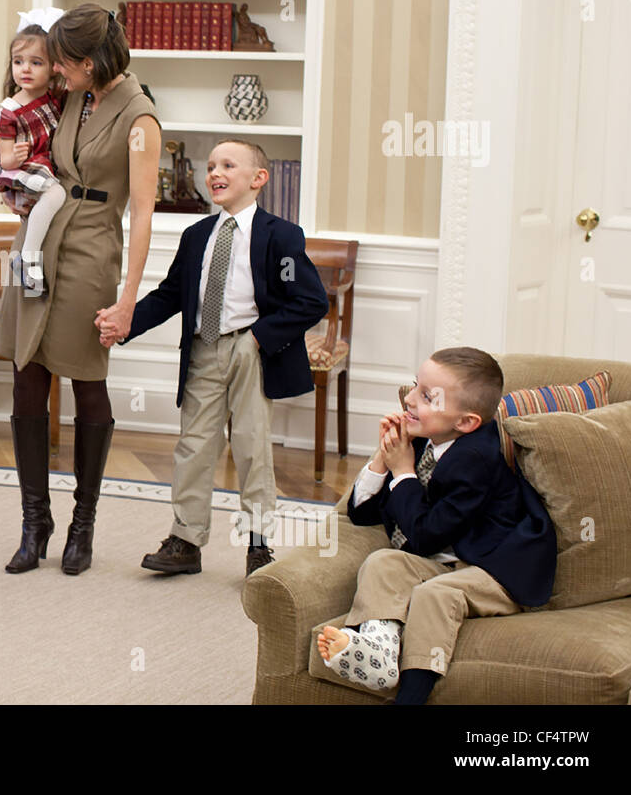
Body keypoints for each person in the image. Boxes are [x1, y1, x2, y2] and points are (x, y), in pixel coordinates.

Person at [0, 3, 160, 576]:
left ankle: (82, 525)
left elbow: (142, 213)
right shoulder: (68, 95)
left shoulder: (140, 118)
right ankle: (34, 522)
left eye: (64, 60)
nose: (55, 69)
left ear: (90, 61)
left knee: (88, 381)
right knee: (26, 376)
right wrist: (7, 163)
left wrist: (129, 298)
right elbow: (20, 125)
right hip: (36, 238)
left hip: (92, 249)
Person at [103, 140, 326, 577]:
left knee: (251, 448)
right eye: (210, 166)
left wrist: (259, 339)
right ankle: (185, 540)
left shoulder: (281, 236)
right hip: (203, 349)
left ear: (257, 179)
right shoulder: (197, 236)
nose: (214, 172)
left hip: (252, 351)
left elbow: (310, 301)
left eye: (228, 165)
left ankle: (259, 545)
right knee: (193, 446)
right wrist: (127, 321)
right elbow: (171, 295)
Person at [316, 347, 556, 704]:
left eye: (427, 396)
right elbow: (362, 513)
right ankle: (379, 651)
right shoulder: (427, 439)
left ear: (466, 422)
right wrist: (385, 459)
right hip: (451, 556)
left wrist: (403, 472)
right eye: (416, 386)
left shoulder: (475, 458)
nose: (410, 399)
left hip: (498, 566)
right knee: (383, 562)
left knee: (435, 595)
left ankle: (412, 696)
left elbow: (426, 536)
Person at [0, 10, 66, 296]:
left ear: (53, 67)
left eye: (36, 63)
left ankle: (23, 265)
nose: (25, 69)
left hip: (42, 166)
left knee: (39, 214)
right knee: (55, 194)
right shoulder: (8, 110)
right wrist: (16, 157)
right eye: (18, 61)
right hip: (22, 169)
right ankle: (28, 259)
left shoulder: (53, 99)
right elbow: (4, 158)